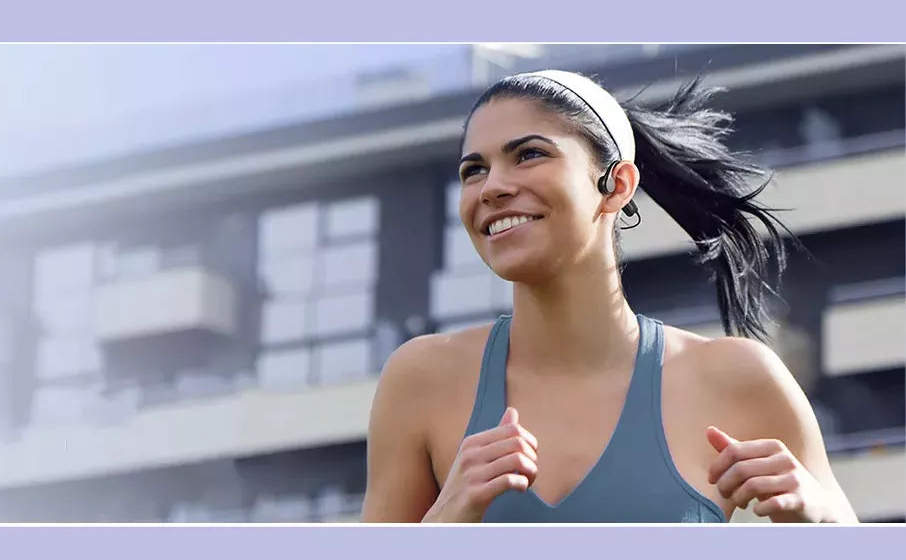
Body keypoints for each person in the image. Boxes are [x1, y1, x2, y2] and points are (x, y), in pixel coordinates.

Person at [360, 70, 857, 523]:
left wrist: (820, 523)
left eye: (529, 154)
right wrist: (440, 527)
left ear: (616, 185)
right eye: (474, 170)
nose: (492, 187)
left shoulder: (739, 378)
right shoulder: (420, 382)